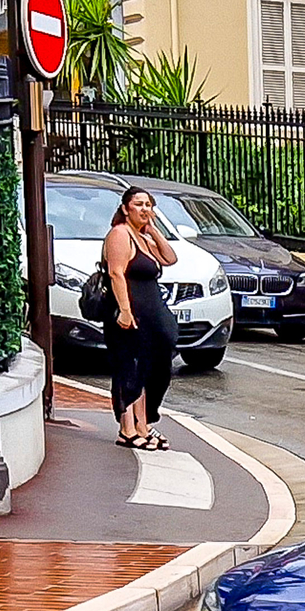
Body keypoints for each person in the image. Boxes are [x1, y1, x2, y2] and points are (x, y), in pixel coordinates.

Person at [103, 186, 177, 451]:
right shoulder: (120, 234)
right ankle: (127, 429)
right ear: (126, 209)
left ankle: (143, 425)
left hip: (150, 318)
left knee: (147, 369)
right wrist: (125, 310)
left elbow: (169, 258)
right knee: (128, 368)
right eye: (139, 204)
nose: (145, 209)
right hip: (130, 314)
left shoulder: (142, 237)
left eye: (148, 205)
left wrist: (153, 229)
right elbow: (116, 273)